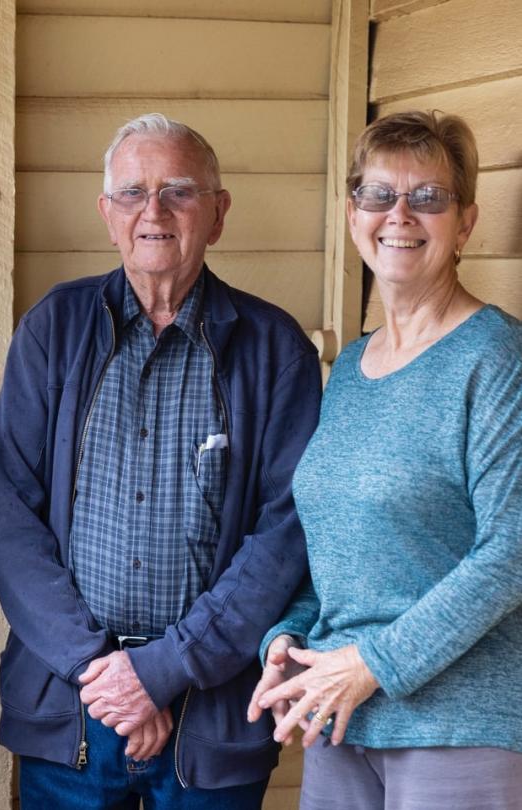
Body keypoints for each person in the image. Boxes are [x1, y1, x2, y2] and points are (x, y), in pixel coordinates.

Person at [0, 113, 322, 808]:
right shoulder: (54, 328)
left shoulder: (274, 348)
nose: (154, 211)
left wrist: (163, 671)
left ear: (218, 214)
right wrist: (108, 675)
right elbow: (12, 519)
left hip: (211, 714)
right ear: (108, 214)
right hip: (74, 707)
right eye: (133, 193)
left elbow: (286, 534)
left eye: (179, 192)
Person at [248, 110, 522, 809]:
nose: (399, 214)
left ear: (465, 223)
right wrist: (290, 639)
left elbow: (511, 552)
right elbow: (340, 550)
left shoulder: (496, 358)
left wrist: (373, 663)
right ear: (353, 214)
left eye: (428, 197)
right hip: (342, 721)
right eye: (378, 194)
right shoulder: (350, 369)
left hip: (456, 729)